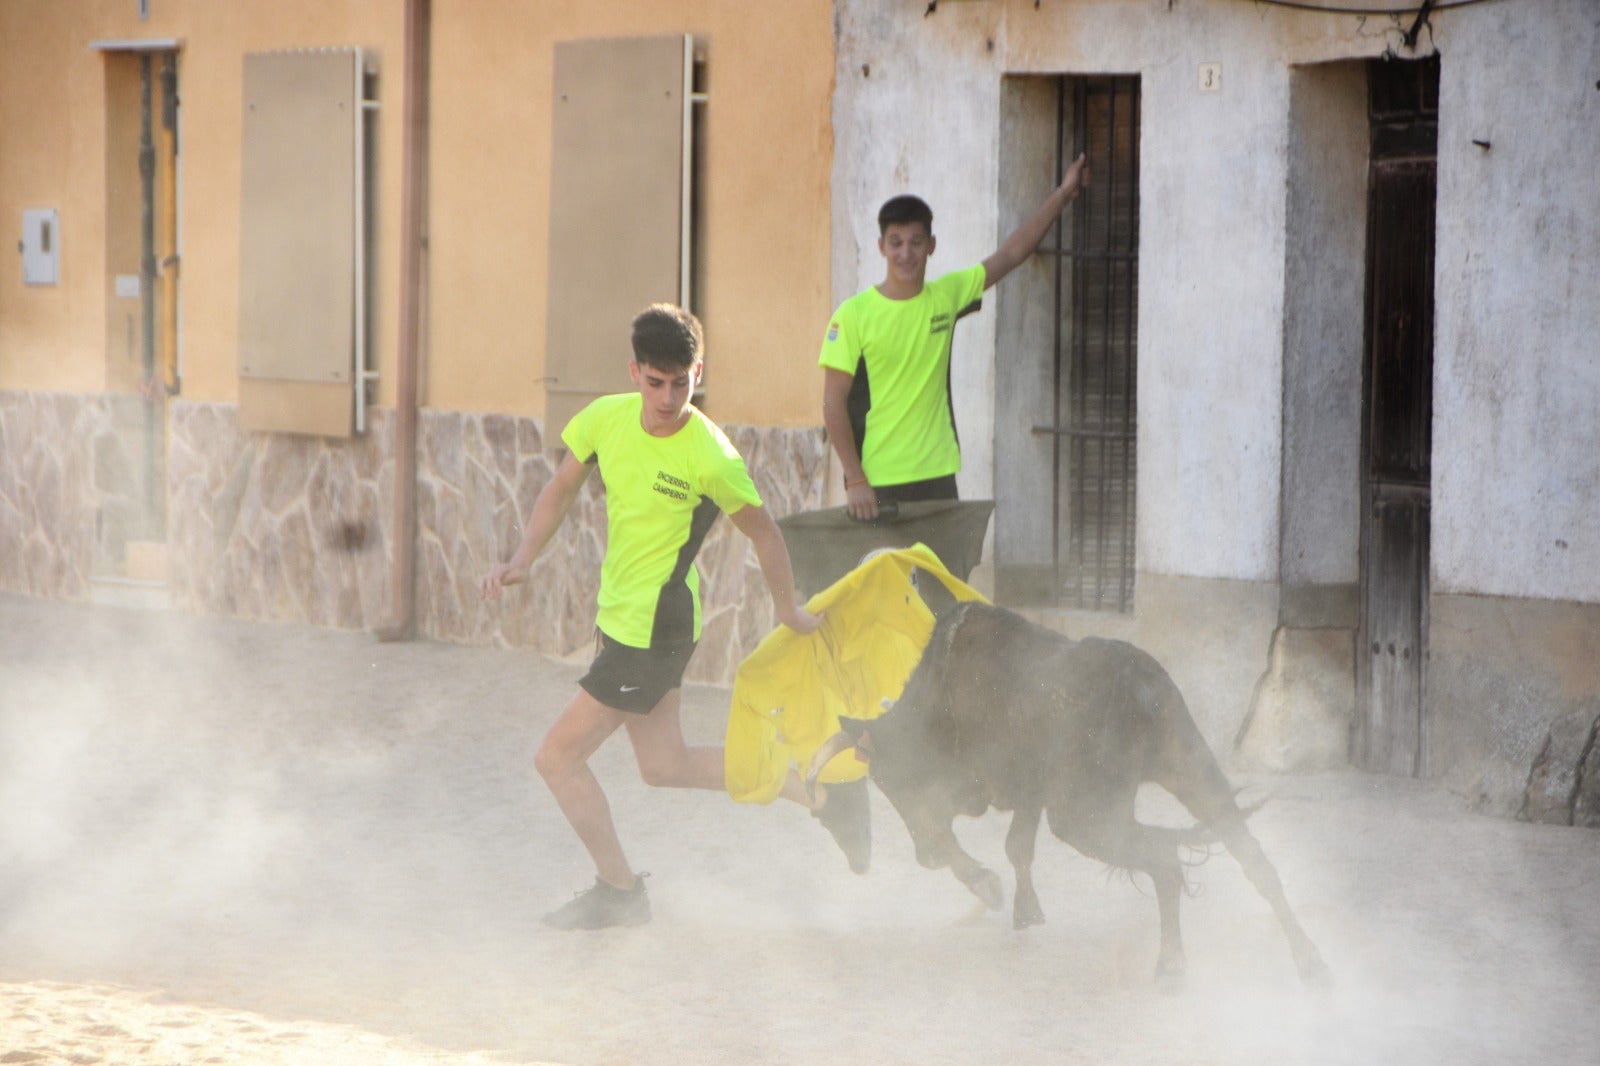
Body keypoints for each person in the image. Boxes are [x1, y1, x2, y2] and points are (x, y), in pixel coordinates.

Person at [480, 303, 828, 930]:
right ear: (634, 371)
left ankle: (619, 893)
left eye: (682, 382)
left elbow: (766, 533)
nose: (669, 398)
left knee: (556, 759)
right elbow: (560, 489)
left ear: (700, 371)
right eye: (655, 381)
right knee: (663, 765)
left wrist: (787, 609)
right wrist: (524, 557)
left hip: (655, 630)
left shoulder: (711, 455)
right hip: (621, 619)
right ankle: (794, 774)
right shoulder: (605, 420)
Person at [820, 153, 1091, 520]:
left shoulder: (946, 297)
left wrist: (1063, 193)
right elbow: (832, 403)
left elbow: (1011, 253)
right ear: (881, 246)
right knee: (885, 578)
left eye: (916, 242)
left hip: (938, 475)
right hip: (878, 481)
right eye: (896, 242)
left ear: (932, 245)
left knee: (938, 578)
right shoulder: (852, 316)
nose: (905, 253)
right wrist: (855, 480)